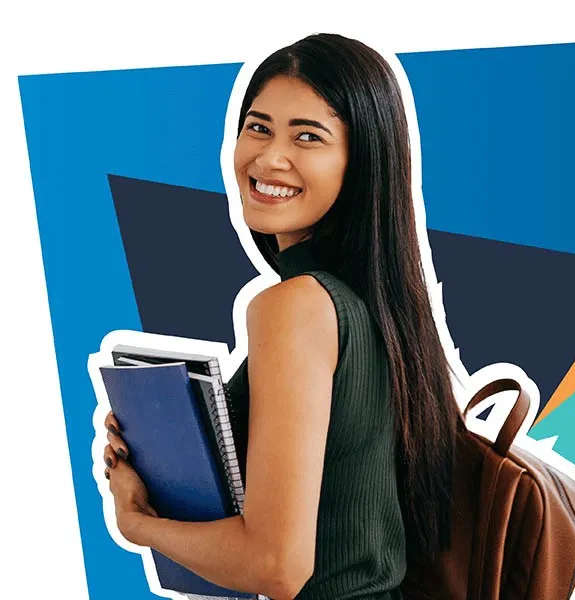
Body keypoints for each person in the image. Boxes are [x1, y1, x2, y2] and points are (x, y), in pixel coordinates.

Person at [101, 33, 464, 600]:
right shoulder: (375, 305)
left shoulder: (295, 307)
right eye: (258, 126)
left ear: (360, 162)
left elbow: (277, 566)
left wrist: (137, 521)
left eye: (308, 136)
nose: (269, 157)